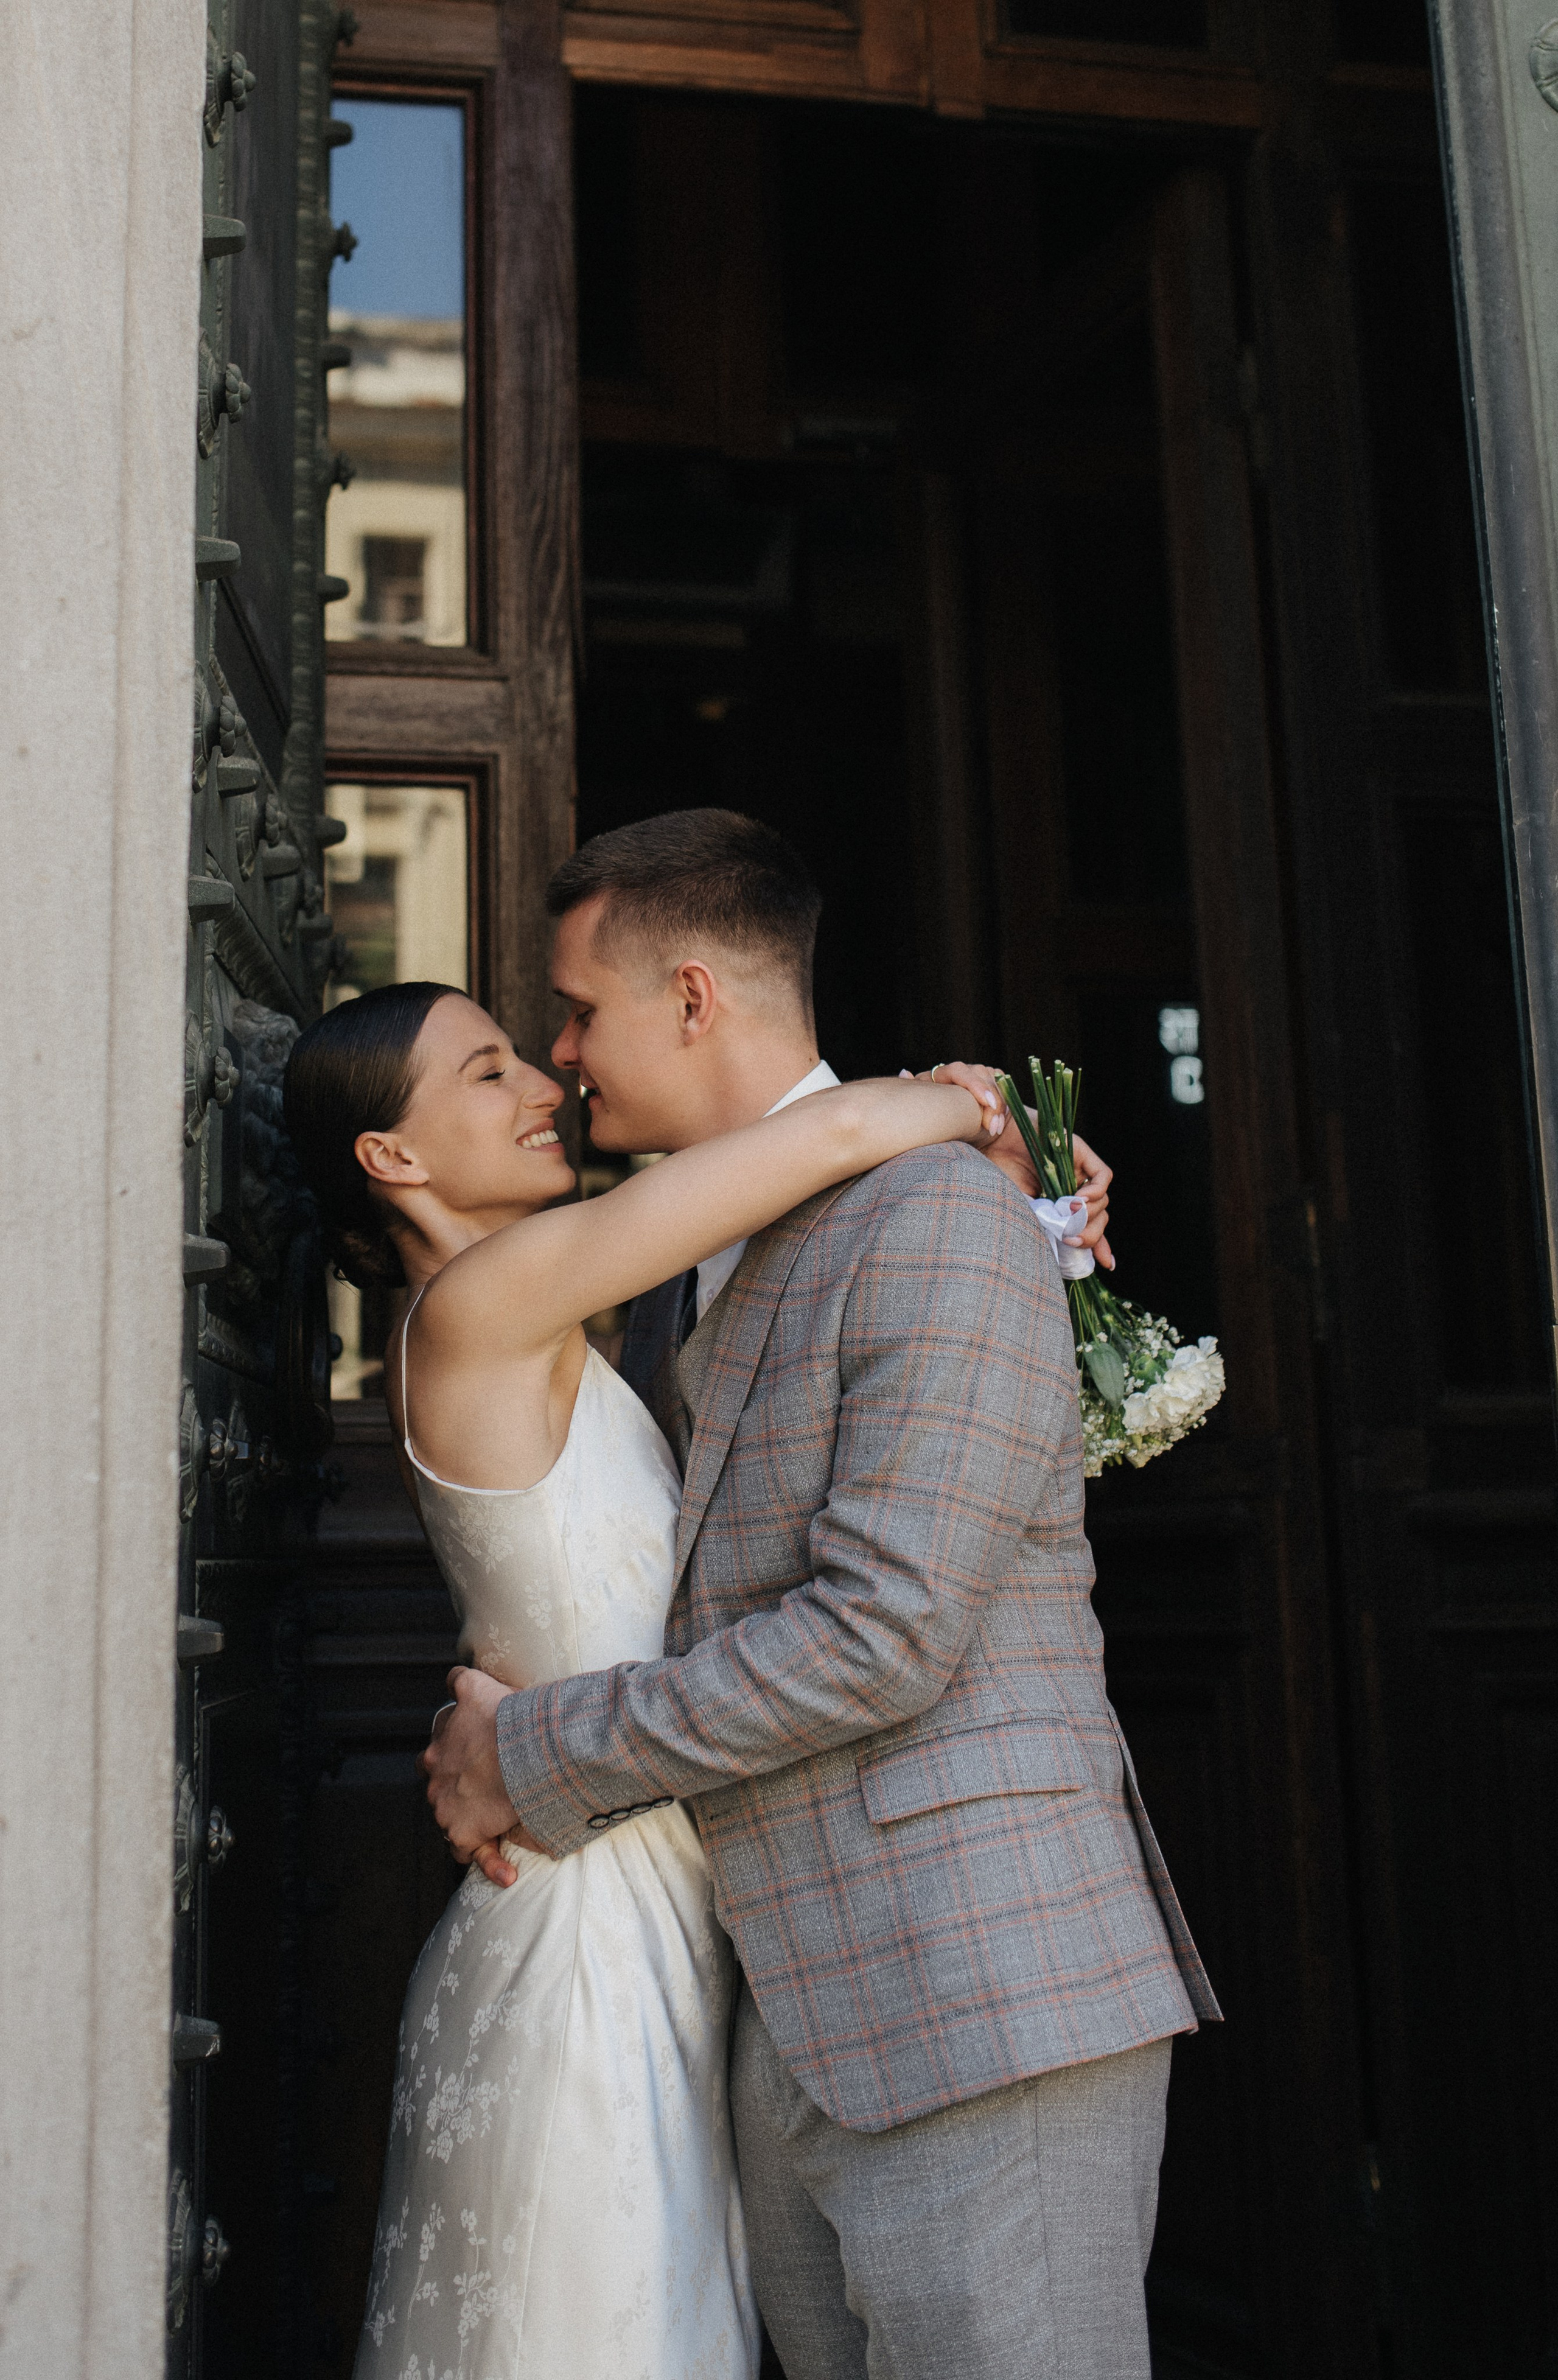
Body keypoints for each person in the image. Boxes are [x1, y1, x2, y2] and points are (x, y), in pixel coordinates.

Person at [422, 808, 1220, 2380]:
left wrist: (536, 1752)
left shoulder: (937, 1213)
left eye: (580, 1008)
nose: (565, 1055)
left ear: (698, 995)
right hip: (777, 2004)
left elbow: (885, 1632)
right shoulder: (664, 1254)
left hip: (977, 1985)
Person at [283, 974, 1046, 2380]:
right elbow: (810, 1145)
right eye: (486, 1072)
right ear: (390, 1158)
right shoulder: (481, 1303)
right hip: (588, 1944)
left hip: (651, 1903)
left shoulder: (548, 1323)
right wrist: (981, 1106)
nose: (542, 1087)